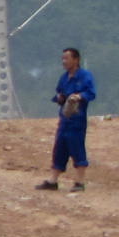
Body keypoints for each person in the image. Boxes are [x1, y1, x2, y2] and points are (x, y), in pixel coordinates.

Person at [39, 47, 94, 192]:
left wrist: (79, 97)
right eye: (63, 58)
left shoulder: (85, 76)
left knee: (77, 148)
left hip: (77, 120)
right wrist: (60, 98)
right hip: (64, 119)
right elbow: (59, 93)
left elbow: (91, 93)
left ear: (76, 59)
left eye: (67, 58)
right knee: (59, 148)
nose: (64, 61)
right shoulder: (64, 78)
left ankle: (80, 182)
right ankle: (53, 181)